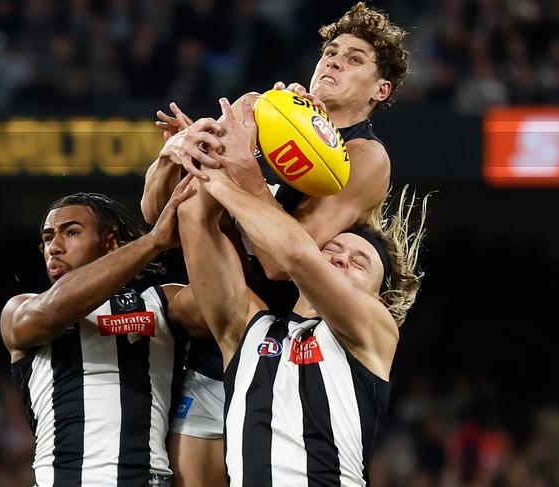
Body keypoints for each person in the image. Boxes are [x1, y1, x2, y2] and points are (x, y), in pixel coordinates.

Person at [142, 3, 410, 485]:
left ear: (380, 90)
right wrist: (176, 155)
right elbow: (156, 216)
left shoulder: (365, 157)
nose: (333, 62)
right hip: (223, 336)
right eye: (330, 52)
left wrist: (240, 172)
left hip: (283, 348)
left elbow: (283, 262)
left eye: (354, 59)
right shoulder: (264, 110)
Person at [177, 97, 429, 485]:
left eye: (359, 264)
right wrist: (214, 147)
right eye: (334, 251)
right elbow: (192, 217)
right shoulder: (250, 329)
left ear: (376, 298)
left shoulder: (373, 331)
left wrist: (235, 174)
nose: (341, 261)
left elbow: (296, 255)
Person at [0, 180, 203, 487]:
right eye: (47, 237)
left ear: (110, 243)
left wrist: (205, 210)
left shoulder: (163, 302)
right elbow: (49, 313)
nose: (54, 247)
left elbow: (224, 306)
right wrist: (153, 242)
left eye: (71, 232)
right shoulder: (22, 307)